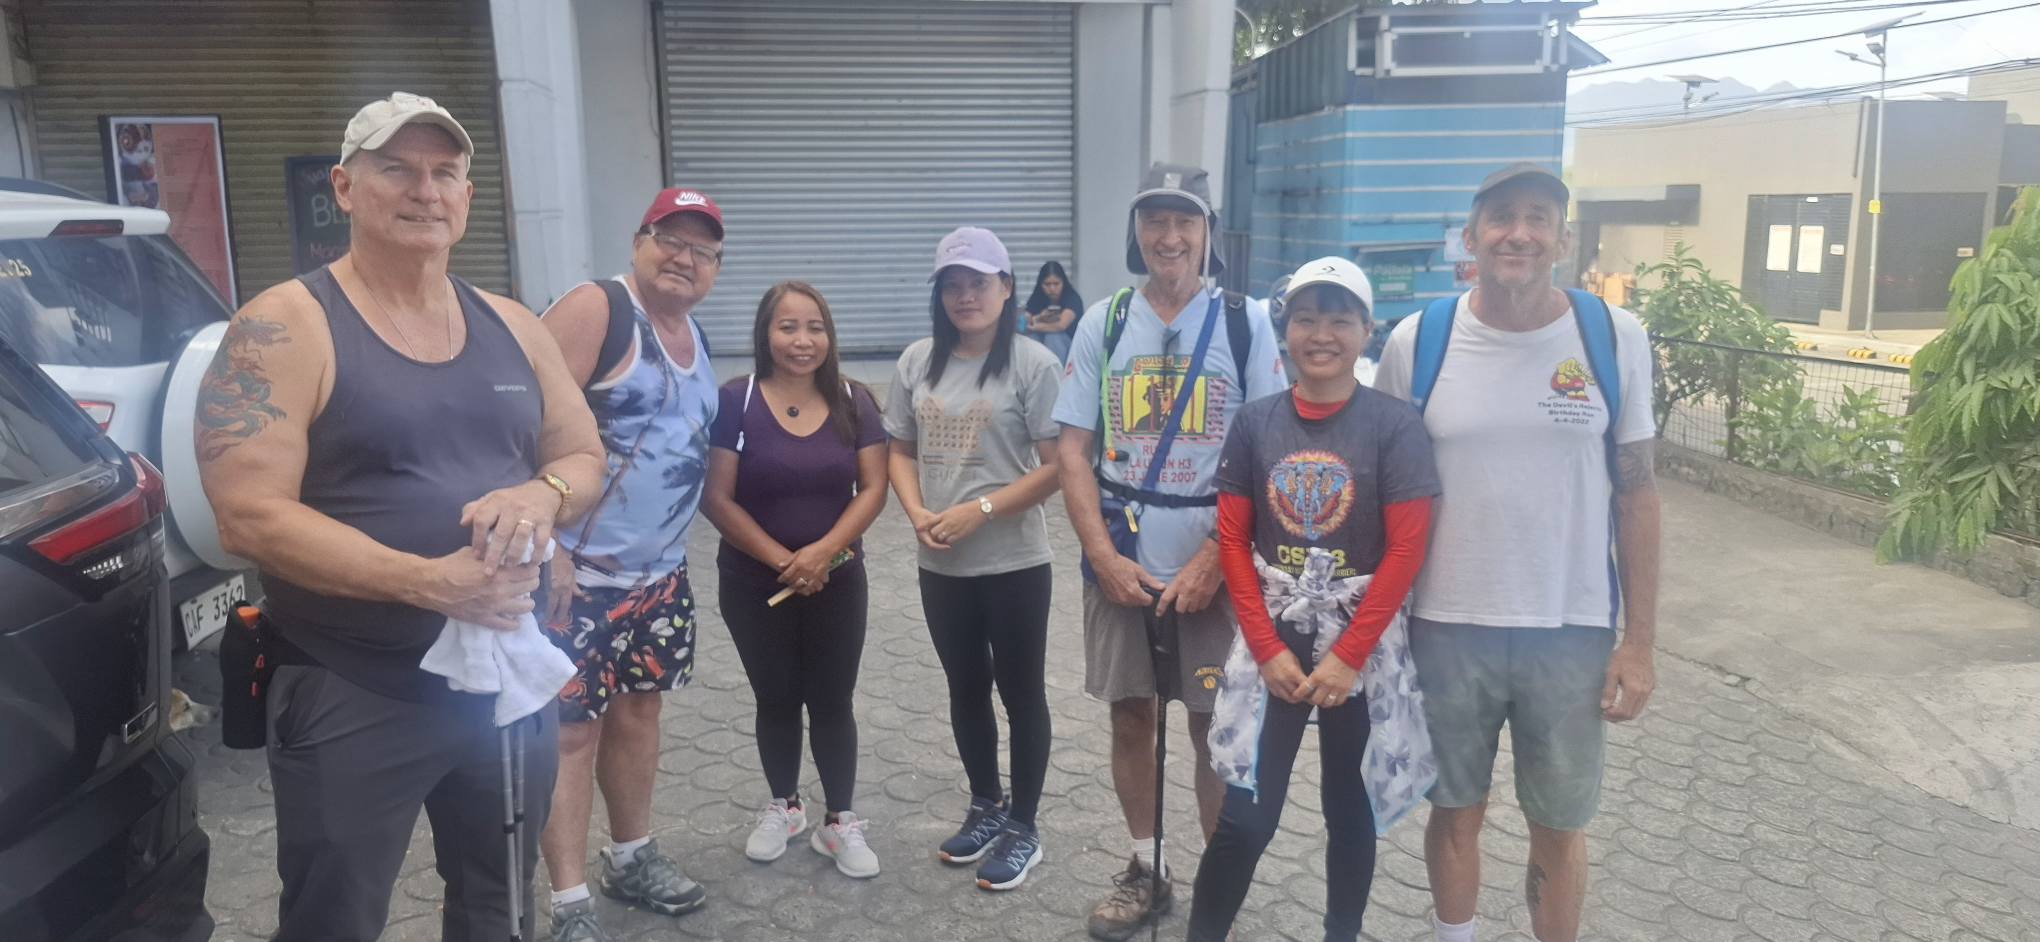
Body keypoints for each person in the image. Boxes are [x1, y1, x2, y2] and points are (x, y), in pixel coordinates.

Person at [195, 92, 606, 942]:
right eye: (398, 170)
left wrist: (543, 496)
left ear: (467, 195)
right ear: (345, 188)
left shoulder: (513, 324)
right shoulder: (284, 326)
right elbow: (249, 517)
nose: (426, 191)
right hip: (352, 685)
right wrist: (428, 583)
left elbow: (583, 457)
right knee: (333, 920)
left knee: (499, 907)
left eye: (444, 173)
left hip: (500, 682)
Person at [1373, 163, 1661, 942]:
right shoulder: (1418, 341)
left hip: (1570, 629)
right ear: (1470, 238)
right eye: (1502, 217)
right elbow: (1386, 489)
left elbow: (1638, 495)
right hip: (1445, 624)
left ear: (1563, 240)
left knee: (1559, 825)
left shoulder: (1614, 338)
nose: (1519, 233)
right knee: (1454, 811)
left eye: (1539, 218)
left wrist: (1639, 642)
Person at [1052, 163, 1288, 941]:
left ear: (1208, 233)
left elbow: (1267, 452)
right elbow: (1073, 450)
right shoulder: (1105, 320)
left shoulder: (1245, 321)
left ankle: (1216, 891)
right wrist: (1101, 555)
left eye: (1186, 221)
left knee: (1214, 730)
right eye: (1155, 220)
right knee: (1131, 717)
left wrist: (1217, 558)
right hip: (1123, 557)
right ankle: (1147, 868)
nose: (1170, 236)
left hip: (1216, 566)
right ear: (1137, 231)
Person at [1186, 257, 1440, 942]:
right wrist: (1266, 648)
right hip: (1277, 637)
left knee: (1349, 810)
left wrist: (1350, 655)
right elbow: (1233, 539)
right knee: (1245, 820)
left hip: (1360, 645)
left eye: (1339, 319)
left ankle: (1341, 932)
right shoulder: (1255, 422)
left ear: (1366, 330)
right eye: (1305, 319)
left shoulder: (1394, 425)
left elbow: (1406, 549)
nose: (1321, 334)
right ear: (1286, 330)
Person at [533, 187, 725, 941]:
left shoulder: (694, 332)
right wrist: (546, 546)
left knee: (640, 713)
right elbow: (518, 421)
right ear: (639, 241)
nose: (684, 258)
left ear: (716, 267)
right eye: (670, 240)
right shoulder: (598, 309)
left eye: (702, 250)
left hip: (660, 577)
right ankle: (569, 901)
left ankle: (631, 857)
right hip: (577, 577)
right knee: (570, 732)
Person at [884, 227, 1065, 891]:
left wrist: (980, 510)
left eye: (979, 283)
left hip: (1015, 562)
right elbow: (899, 450)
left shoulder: (1034, 365)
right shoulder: (917, 361)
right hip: (942, 564)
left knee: (1021, 692)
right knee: (965, 687)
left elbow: (1058, 468)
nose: (966, 296)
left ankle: (1025, 826)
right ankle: (985, 804)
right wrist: (917, 513)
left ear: (1006, 288)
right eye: (953, 285)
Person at [701, 281, 889, 879]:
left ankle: (839, 821)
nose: (802, 340)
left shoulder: (855, 400)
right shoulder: (737, 400)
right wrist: (786, 561)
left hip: (838, 580)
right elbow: (717, 497)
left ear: (829, 336)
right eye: (787, 327)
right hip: (753, 583)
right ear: (766, 334)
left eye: (815, 327)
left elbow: (874, 488)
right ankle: (784, 806)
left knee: (833, 700)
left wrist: (823, 554)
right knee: (775, 698)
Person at [1022, 259, 1084, 362]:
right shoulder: (1037, 297)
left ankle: (1056, 371)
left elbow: (1061, 325)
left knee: (1053, 337)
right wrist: (1039, 317)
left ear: (1063, 283)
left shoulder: (1072, 298)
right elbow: (1024, 323)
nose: (1052, 288)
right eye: (1047, 284)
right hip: (1042, 343)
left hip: (1070, 348)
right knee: (1031, 338)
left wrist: (1036, 326)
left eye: (1056, 284)